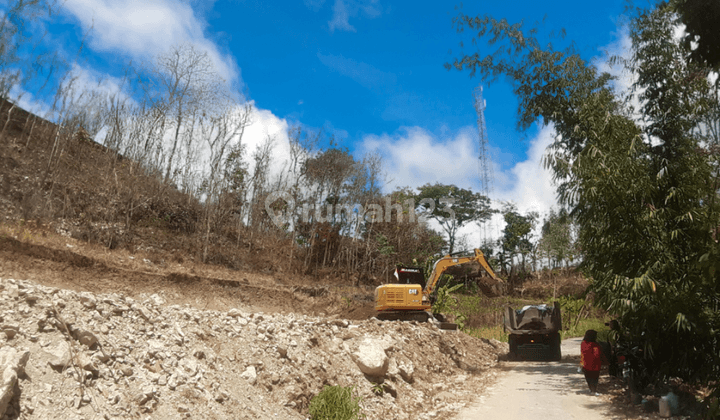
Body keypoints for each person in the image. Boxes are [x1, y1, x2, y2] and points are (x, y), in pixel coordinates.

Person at [581, 329, 603, 395]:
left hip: (585, 364)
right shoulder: (595, 345)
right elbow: (597, 355)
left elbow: (582, 354)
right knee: (594, 378)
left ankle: (591, 389)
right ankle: (593, 390)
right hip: (595, 365)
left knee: (588, 378)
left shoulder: (583, 343)